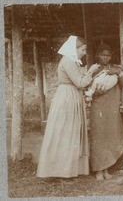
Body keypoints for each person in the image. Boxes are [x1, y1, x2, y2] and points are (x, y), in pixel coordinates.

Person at [37, 35, 100, 178]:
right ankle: (60, 169)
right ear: (75, 49)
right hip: (67, 98)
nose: (84, 52)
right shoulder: (67, 61)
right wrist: (91, 71)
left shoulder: (72, 61)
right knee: (66, 132)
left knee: (70, 132)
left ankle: (69, 169)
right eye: (83, 49)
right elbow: (80, 83)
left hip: (71, 96)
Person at [89, 44, 123, 181]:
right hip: (98, 107)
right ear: (98, 55)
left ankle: (107, 169)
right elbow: (87, 88)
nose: (105, 57)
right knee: (98, 137)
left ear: (112, 56)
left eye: (108, 55)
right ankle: (98, 169)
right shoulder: (94, 70)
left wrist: (117, 72)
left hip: (111, 108)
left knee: (111, 136)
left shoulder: (116, 68)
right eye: (102, 55)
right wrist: (95, 93)